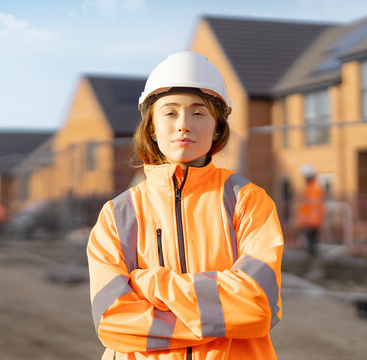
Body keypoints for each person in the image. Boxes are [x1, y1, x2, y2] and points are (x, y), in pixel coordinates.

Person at [87, 52, 284, 360]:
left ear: (217, 127)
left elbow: (256, 308)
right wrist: (217, 321)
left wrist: (152, 281)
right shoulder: (117, 216)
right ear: (152, 127)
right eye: (169, 113)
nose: (183, 125)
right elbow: (112, 322)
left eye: (198, 113)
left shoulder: (247, 200)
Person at [295, 164, 326, 257]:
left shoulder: (314, 188)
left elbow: (310, 205)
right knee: (311, 242)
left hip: (312, 220)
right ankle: (312, 257)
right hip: (310, 220)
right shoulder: (311, 187)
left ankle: (312, 259)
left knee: (312, 242)